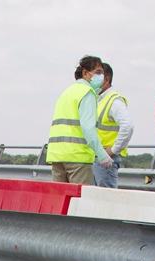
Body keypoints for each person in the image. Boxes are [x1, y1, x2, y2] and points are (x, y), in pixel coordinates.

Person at [47, 56, 115, 185]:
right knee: (81, 202)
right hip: (77, 158)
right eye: (98, 72)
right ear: (85, 73)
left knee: (62, 202)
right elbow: (88, 128)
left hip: (57, 156)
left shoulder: (67, 92)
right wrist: (102, 155)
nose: (101, 76)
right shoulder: (87, 93)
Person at [94, 62, 135, 188]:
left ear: (106, 79)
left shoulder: (114, 100)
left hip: (105, 161)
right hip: (97, 159)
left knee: (106, 203)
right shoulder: (99, 100)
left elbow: (128, 126)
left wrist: (112, 151)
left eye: (96, 76)